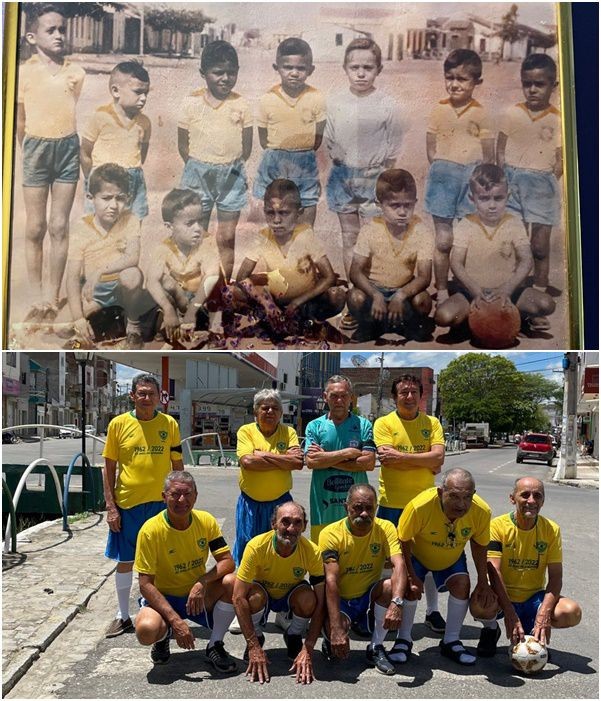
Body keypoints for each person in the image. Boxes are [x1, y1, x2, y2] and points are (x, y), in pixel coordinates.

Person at [324, 37, 403, 331]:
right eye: (354, 67)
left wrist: (382, 176)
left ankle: (375, 301)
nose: (361, 73)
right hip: (343, 177)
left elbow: (393, 147)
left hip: (374, 178)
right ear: (345, 68)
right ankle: (354, 305)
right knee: (349, 238)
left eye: (367, 67)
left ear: (378, 69)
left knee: (372, 242)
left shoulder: (386, 104)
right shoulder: (334, 101)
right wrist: (339, 156)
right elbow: (330, 139)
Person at [17, 4, 85, 323]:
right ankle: (34, 296)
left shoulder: (75, 72)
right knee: (35, 226)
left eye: (62, 29)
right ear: (32, 36)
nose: (59, 35)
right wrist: (29, 150)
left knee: (59, 225)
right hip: (36, 149)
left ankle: (51, 297)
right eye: (51, 30)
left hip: (67, 148)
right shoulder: (23, 72)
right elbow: (19, 121)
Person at [102, 374, 183, 638]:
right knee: (125, 560)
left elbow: (177, 464)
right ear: (133, 396)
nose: (147, 398)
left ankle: (161, 611)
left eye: (151, 393)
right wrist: (111, 507)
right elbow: (109, 468)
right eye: (142, 393)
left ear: (160, 396)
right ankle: (123, 615)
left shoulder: (169, 424)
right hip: (128, 504)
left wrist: (183, 497)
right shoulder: (118, 424)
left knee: (162, 561)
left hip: (161, 506)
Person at [134, 471, 238, 673]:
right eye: (175, 494)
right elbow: (145, 584)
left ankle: (214, 644)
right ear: (164, 497)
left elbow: (227, 562)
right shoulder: (150, 531)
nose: (182, 500)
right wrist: (175, 620)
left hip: (196, 597)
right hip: (163, 598)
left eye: (187, 494)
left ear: (196, 496)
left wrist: (201, 582)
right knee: (146, 630)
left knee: (233, 582)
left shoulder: (206, 521)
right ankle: (163, 636)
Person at [434, 164, 555, 336]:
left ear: (508, 196)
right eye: (484, 198)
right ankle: (474, 319)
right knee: (443, 317)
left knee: (546, 304)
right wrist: (475, 291)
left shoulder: (513, 223)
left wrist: (507, 289)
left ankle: (520, 316)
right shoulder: (466, 224)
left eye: (498, 198)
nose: (492, 205)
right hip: (473, 292)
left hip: (508, 291)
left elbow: (526, 259)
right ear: (472, 198)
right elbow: (456, 262)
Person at [397, 468, 497, 666]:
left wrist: (483, 582)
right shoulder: (420, 506)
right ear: (441, 492)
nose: (461, 504)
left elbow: (479, 545)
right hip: (417, 555)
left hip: (451, 556)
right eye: (454, 496)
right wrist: (409, 575)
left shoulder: (482, 511)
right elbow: (403, 540)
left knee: (462, 584)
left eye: (467, 497)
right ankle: (403, 639)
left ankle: (451, 641)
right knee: (409, 588)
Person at [477, 477, 581, 657]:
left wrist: (544, 614)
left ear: (543, 501)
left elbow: (556, 577)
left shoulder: (551, 529)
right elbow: (494, 572)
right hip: (503, 596)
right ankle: (490, 629)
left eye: (537, 496)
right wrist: (510, 612)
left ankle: (532, 629)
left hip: (533, 597)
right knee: (479, 604)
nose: (531, 501)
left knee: (571, 612)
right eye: (525, 495)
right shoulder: (496, 526)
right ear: (512, 498)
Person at [374, 374, 446, 634]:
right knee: (390, 562)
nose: (409, 396)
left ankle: (432, 611)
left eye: (414, 392)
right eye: (403, 392)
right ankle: (388, 607)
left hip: (425, 504)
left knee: (423, 563)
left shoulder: (432, 422)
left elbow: (439, 456)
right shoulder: (383, 423)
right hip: (391, 504)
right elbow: (387, 459)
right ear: (394, 397)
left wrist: (403, 456)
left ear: (421, 395)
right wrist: (426, 460)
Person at [232, 179, 345, 341]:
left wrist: (298, 301)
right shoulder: (262, 237)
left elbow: (329, 277)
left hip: (305, 301)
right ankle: (274, 319)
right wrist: (267, 303)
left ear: (299, 212)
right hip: (276, 300)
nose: (276, 220)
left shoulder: (306, 235)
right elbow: (241, 277)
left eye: (284, 213)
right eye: (270, 213)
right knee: (235, 293)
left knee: (337, 296)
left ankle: (309, 322)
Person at [424, 49, 494, 309]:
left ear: (477, 82)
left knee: (467, 238)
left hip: (471, 179)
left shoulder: (482, 113)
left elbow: (488, 155)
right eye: (450, 77)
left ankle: (465, 287)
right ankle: (441, 289)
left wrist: (475, 180)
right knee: (444, 239)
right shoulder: (438, 110)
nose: (454, 84)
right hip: (443, 178)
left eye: (463, 79)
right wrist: (443, 167)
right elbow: (430, 148)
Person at [497, 54, 562, 331]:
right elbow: (500, 149)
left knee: (539, 245)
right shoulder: (513, 113)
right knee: (515, 243)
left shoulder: (559, 119)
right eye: (527, 84)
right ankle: (517, 292)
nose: (533, 90)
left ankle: (539, 291)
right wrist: (504, 178)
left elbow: (562, 157)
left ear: (554, 85)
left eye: (540, 84)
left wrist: (551, 178)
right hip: (514, 181)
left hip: (542, 184)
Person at [178, 40, 252, 281]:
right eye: (217, 72)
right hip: (198, 174)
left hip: (232, 175)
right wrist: (200, 167)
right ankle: (194, 288)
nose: (225, 78)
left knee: (227, 236)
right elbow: (183, 144)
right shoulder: (191, 103)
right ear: (203, 73)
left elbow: (246, 147)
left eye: (231, 73)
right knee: (196, 233)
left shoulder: (241, 104)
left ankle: (221, 290)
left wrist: (230, 170)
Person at [231, 501, 325, 684]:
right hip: (263, 593)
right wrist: (252, 645)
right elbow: (237, 597)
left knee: (309, 599)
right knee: (252, 597)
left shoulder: (312, 551)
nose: (291, 528)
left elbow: (321, 602)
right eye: (285, 521)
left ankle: (294, 634)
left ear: (304, 526)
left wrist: (309, 648)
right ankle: (257, 636)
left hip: (291, 593)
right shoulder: (256, 546)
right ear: (273, 524)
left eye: (298, 522)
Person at [319, 484, 407, 675]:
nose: (365, 513)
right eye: (358, 507)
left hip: (368, 596)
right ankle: (331, 636)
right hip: (341, 600)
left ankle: (376, 647)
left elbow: (399, 565)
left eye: (369, 508)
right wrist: (335, 628)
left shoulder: (386, 528)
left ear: (376, 508)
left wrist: (397, 603)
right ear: (346, 507)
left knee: (391, 586)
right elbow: (331, 581)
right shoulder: (330, 534)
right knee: (335, 644)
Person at [65, 163, 154, 349]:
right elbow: (72, 277)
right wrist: (79, 319)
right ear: (91, 198)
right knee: (66, 326)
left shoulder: (130, 220)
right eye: (106, 198)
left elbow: (132, 257)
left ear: (128, 198)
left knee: (132, 275)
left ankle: (133, 324)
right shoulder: (81, 227)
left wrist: (100, 270)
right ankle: (106, 317)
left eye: (120, 199)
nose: (113, 205)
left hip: (122, 288)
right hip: (95, 292)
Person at [348, 169, 434, 342]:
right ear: (379, 205)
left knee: (423, 300)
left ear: (415, 202)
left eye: (408, 205)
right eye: (394, 205)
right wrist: (376, 295)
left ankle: (406, 325)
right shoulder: (370, 230)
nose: (402, 212)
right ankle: (370, 326)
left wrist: (401, 294)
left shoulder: (422, 231)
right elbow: (355, 272)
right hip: (375, 289)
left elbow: (425, 277)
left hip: (402, 289)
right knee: (355, 297)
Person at [253, 37, 325, 227]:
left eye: (301, 68)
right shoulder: (267, 99)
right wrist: (278, 151)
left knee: (307, 204)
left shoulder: (316, 97)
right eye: (287, 67)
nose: (294, 73)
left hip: (304, 159)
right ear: (276, 67)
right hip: (275, 159)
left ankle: (305, 247)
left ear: (310, 70)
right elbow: (263, 136)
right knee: (275, 208)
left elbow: (318, 135)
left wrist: (302, 150)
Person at [233, 389, 303, 565]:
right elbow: (247, 462)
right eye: (265, 408)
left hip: (280, 502)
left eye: (275, 408)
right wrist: (282, 459)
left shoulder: (289, 432)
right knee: (247, 547)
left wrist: (262, 454)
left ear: (280, 412)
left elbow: (297, 463)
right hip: (250, 503)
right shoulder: (246, 431)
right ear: (256, 411)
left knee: (280, 547)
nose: (270, 412)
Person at [304, 374, 376, 543]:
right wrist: (348, 453)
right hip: (323, 504)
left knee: (354, 556)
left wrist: (326, 457)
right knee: (324, 558)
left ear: (351, 397)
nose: (339, 400)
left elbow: (369, 463)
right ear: (325, 397)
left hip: (357, 508)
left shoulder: (363, 425)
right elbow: (311, 462)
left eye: (343, 396)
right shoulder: (314, 426)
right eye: (334, 396)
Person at [145, 189, 221, 345]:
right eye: (189, 223)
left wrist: (192, 311)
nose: (198, 228)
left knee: (216, 279)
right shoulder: (163, 247)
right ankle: (171, 322)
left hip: (203, 305)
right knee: (165, 281)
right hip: (182, 304)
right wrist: (168, 309)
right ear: (170, 225)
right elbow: (151, 281)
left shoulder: (207, 242)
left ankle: (215, 331)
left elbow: (212, 275)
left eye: (200, 221)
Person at [80, 61, 151, 220]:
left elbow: (142, 153)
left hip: (134, 179)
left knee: (132, 229)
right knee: (100, 230)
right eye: (138, 92)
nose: (144, 98)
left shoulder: (144, 122)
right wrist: (91, 179)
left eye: (146, 93)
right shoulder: (100, 117)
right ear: (116, 91)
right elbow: (85, 151)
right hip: (104, 180)